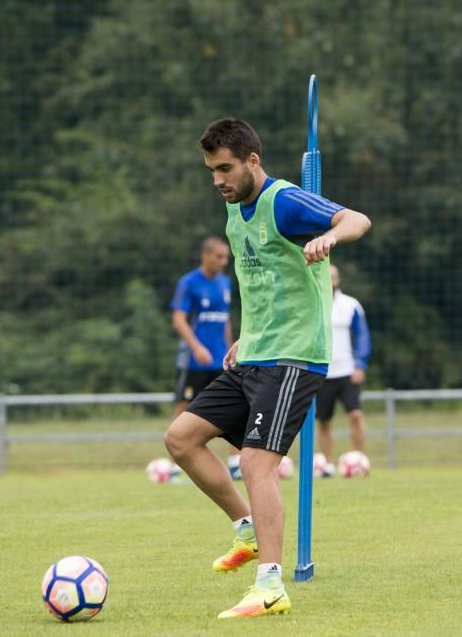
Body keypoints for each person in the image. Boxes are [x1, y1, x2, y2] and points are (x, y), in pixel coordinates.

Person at [164, 118, 370, 618]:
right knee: (181, 439)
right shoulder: (235, 212)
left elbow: (356, 219)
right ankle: (246, 529)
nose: (218, 180)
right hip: (254, 353)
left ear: (253, 161)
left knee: (257, 462)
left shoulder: (285, 200)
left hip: (294, 357)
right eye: (212, 170)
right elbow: (259, 286)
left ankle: (271, 587)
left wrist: (330, 239)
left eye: (226, 168)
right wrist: (243, 339)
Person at [170, 237, 233, 419]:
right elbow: (178, 319)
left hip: (220, 358)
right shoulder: (189, 282)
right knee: (185, 404)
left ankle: (235, 449)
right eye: (219, 257)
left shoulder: (225, 283)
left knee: (229, 406)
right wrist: (197, 348)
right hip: (194, 360)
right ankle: (177, 445)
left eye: (226, 257)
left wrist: (230, 349)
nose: (224, 262)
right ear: (205, 256)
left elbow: (225, 319)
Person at [315, 264, 370, 469]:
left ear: (338, 280)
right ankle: (328, 464)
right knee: (324, 421)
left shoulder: (351, 305)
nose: (331, 281)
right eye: (327, 277)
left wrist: (360, 364)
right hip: (323, 373)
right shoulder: (313, 305)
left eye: (334, 277)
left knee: (355, 415)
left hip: (347, 371)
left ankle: (359, 459)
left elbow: (362, 336)